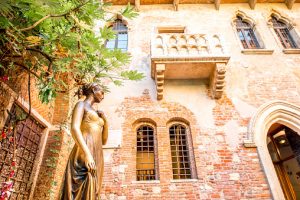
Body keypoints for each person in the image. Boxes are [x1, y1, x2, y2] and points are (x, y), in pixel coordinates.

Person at [61, 83, 108, 200]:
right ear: (93, 90)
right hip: (84, 150)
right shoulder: (81, 105)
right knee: (82, 186)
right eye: (102, 92)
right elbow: (74, 128)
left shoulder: (98, 113)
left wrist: (106, 122)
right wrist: (87, 154)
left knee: (94, 190)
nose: (103, 96)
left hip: (97, 153)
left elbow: (104, 141)